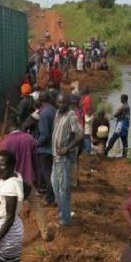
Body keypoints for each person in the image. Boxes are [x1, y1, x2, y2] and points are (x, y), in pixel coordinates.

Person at [0, 118, 52, 241]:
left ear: (9, 129)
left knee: (10, 211)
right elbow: (36, 161)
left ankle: (7, 237)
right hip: (27, 180)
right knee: (36, 206)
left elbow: (3, 166)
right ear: (19, 127)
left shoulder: (5, 142)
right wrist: (38, 180)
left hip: (12, 182)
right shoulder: (29, 139)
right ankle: (45, 233)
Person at [51, 93, 84, 226]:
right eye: (58, 103)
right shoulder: (58, 114)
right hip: (55, 157)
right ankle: (62, 212)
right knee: (55, 184)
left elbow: (80, 135)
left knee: (63, 188)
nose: (60, 105)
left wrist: (67, 148)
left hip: (63, 158)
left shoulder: (71, 115)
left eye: (63, 103)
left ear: (68, 103)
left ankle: (65, 219)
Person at [36, 91, 57, 205]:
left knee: (47, 174)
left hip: (45, 149)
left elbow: (44, 134)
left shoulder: (44, 114)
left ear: (40, 101)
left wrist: (37, 143)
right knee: (53, 174)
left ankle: (49, 198)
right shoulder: (53, 109)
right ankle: (53, 196)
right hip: (53, 147)